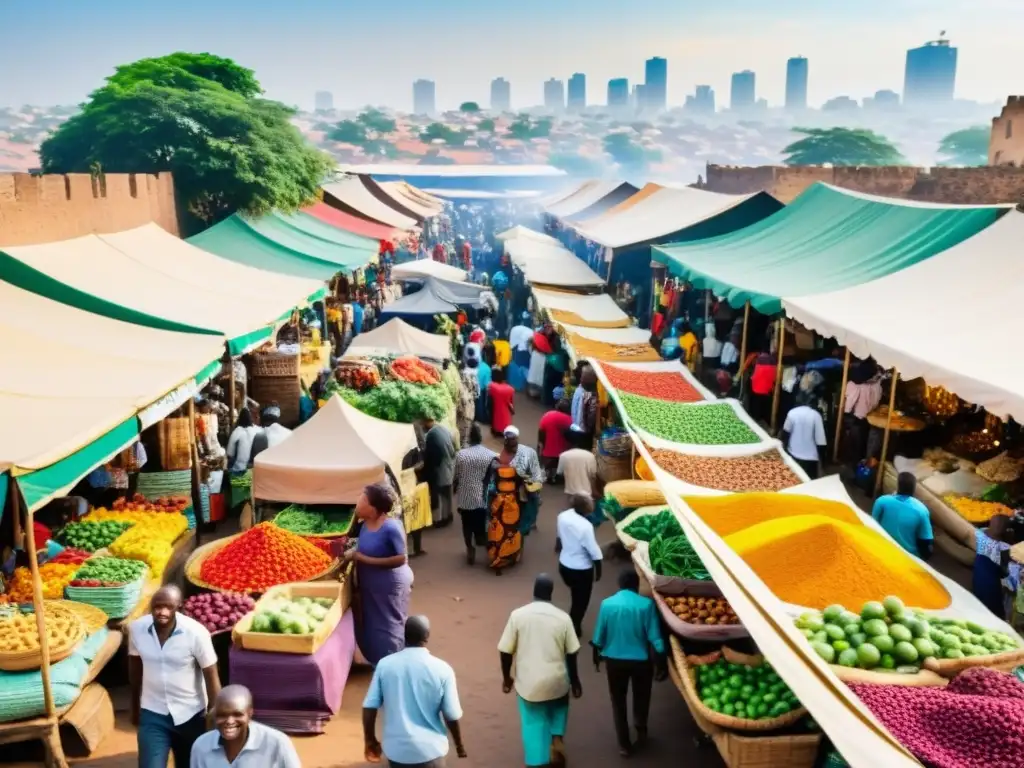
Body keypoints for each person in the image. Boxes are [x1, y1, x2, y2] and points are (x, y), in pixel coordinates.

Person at [129, 585, 221, 768]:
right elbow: (134, 667)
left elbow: (211, 674)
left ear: (179, 608)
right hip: (153, 712)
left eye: (168, 607)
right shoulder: (137, 629)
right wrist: (134, 705)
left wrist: (214, 714)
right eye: (157, 606)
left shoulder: (196, 633)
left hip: (192, 714)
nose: (161, 612)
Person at [498, 574, 582, 768]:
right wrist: (575, 681)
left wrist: (506, 678)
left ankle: (538, 760)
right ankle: (556, 737)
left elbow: (505, 650)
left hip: (529, 685)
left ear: (534, 592)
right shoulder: (563, 618)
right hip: (557, 681)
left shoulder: (518, 616)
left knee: (532, 722)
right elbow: (572, 653)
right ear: (551, 593)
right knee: (559, 705)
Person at [363, 616, 466, 768]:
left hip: (397, 752)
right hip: (431, 751)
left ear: (405, 635)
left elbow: (369, 707)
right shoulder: (443, 669)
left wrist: (370, 740)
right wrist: (459, 745)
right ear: (427, 636)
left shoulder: (385, 665)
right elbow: (451, 715)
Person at [591, 569, 667, 756]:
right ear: (636, 586)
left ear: (619, 585)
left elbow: (599, 636)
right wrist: (662, 661)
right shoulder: (646, 605)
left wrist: (597, 655)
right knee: (642, 697)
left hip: (614, 662)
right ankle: (641, 730)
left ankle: (624, 744)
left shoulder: (607, 605)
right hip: (641, 662)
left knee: (618, 702)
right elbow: (655, 638)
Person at [345, 483, 414, 665]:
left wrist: (361, 558)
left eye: (363, 499)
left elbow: (401, 558)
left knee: (389, 626)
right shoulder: (365, 524)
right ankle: (378, 661)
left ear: (374, 508)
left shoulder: (391, 527)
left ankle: (394, 663)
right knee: (373, 626)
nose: (359, 502)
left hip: (389, 586)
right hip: (371, 585)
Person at [189, 685, 301, 768]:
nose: (229, 721)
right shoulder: (201, 747)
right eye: (222, 715)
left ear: (250, 713)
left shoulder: (278, 743)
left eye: (237, 714)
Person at [556, 495, 603, 638]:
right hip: (581, 570)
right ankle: (573, 628)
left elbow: (559, 536)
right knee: (580, 602)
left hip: (564, 564)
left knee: (575, 594)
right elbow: (594, 551)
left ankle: (572, 624)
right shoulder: (585, 526)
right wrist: (599, 571)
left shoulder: (563, 516)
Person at [453, 425, 497, 566]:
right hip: (481, 496)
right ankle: (483, 544)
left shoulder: (461, 455)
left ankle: (470, 549)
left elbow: (457, 475)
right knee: (481, 522)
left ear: (469, 438)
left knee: (466, 524)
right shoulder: (490, 454)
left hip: (465, 496)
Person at [486, 429, 526, 573]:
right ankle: (512, 555)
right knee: (512, 529)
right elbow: (523, 482)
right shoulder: (520, 462)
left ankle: (495, 555)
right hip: (513, 502)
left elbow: (491, 483)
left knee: (497, 529)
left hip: (498, 502)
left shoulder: (496, 461)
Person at [871, 472, 934, 560]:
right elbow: (926, 540)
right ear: (913, 488)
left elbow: (871, 525)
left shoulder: (882, 501)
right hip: (908, 557)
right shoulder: (922, 510)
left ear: (898, 485)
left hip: (881, 548)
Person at [968, 514, 1013, 618]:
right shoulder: (1004, 548)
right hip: (991, 581)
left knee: (979, 598)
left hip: (978, 574)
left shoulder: (980, 533)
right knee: (994, 608)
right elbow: (1005, 571)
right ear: (1007, 531)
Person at [422, 414, 456, 530]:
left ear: (426, 422)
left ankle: (441, 519)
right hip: (450, 465)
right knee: (448, 494)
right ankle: (449, 515)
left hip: (440, 469)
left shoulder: (431, 435)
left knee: (440, 495)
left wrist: (426, 470)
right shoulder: (443, 428)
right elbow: (453, 447)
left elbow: (432, 457)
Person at [782, 394, 827, 479]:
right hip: (811, 460)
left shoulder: (792, 413)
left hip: (793, 454)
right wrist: (822, 464)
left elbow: (785, 434)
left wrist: (785, 452)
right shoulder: (816, 415)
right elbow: (821, 442)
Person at [557, 428, 601, 504]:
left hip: (571, 491)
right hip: (587, 492)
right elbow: (593, 475)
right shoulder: (590, 456)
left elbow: (559, 472)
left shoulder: (563, 456)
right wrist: (594, 490)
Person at [538, 399, 574, 482]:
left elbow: (541, 431)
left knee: (547, 463)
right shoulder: (569, 419)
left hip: (547, 450)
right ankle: (557, 475)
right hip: (562, 451)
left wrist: (541, 445)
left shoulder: (547, 415)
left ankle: (549, 474)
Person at [225, 407, 261, 474]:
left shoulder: (237, 431)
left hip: (239, 469)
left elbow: (229, 453)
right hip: (255, 468)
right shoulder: (257, 430)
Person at [488, 368, 516, 437]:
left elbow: (490, 399)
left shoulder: (492, 386)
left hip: (496, 410)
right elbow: (511, 402)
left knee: (496, 421)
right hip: (506, 412)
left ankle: (496, 432)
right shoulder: (510, 389)